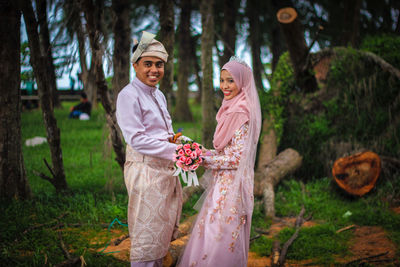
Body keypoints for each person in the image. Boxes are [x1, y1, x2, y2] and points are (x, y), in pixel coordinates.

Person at [178, 57, 262, 267]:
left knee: (221, 232)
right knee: (213, 230)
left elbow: (236, 158)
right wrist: (204, 152)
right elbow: (228, 151)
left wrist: (203, 159)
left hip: (232, 186)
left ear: (242, 82)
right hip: (223, 182)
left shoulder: (240, 112)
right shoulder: (231, 108)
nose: (225, 86)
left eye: (231, 81)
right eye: (222, 80)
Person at [116, 31, 183, 267]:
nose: (154, 70)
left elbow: (164, 133)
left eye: (159, 64)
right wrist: (178, 153)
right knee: (147, 236)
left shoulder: (159, 95)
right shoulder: (129, 95)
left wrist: (181, 143)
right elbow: (137, 139)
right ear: (135, 65)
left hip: (164, 171)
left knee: (162, 233)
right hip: (145, 172)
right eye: (148, 64)